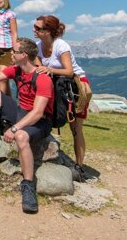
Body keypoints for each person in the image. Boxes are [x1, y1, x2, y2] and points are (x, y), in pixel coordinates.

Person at [0, 37, 53, 214]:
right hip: (20, 111)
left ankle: (28, 185)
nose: (11, 54)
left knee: (21, 137)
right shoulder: (16, 70)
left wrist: (15, 128)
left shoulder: (43, 79)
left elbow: (38, 113)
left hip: (40, 120)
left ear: (24, 55)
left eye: (14, 51)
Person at [34, 14, 90, 181]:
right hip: (56, 86)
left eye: (38, 28)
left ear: (48, 31)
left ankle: (79, 166)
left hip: (75, 87)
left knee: (76, 127)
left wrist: (50, 70)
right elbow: (39, 68)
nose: (34, 30)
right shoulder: (38, 46)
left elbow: (69, 71)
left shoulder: (61, 45)